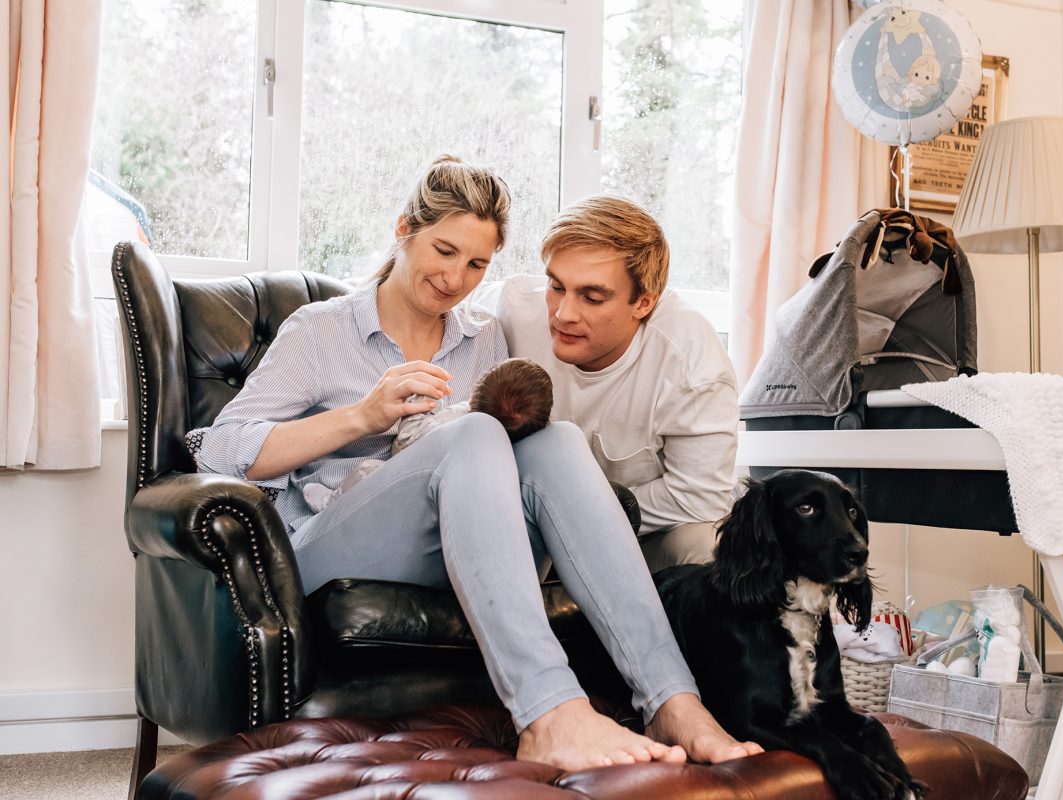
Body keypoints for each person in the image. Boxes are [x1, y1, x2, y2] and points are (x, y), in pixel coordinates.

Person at [194, 156, 760, 772]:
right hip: (327, 550)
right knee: (473, 434)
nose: (455, 278)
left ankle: (671, 699)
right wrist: (363, 416)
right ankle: (547, 712)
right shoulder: (322, 329)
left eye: (477, 264)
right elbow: (222, 449)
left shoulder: (484, 337)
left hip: (450, 552)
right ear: (404, 227)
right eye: (443, 250)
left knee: (556, 441)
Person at [475, 196, 739, 572]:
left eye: (592, 297)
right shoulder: (512, 309)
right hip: (527, 529)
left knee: (705, 544)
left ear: (643, 303)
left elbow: (700, 499)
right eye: (556, 286)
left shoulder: (692, 363)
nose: (563, 314)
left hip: (640, 540)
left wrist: (577, 514)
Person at [302, 357, 554, 513]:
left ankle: (332, 503)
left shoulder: (452, 423)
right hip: (447, 504)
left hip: (409, 486)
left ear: (479, 385)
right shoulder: (512, 454)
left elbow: (404, 446)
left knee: (367, 470)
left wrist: (418, 402)